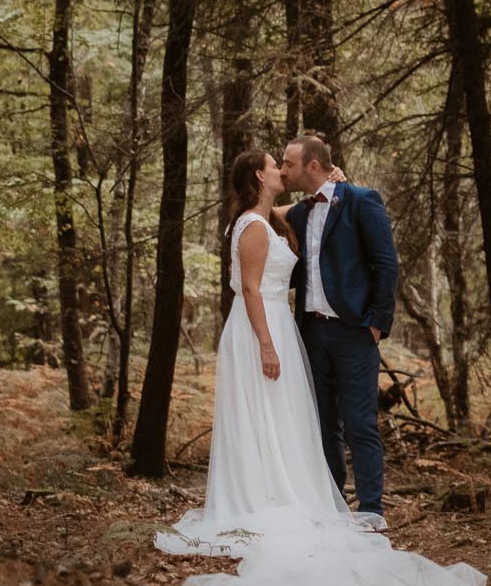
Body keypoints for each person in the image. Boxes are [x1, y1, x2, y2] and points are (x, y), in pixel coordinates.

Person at [157, 147, 349, 552]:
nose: (281, 170)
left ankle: (276, 488)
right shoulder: (254, 228)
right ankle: (259, 497)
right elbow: (249, 288)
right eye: (272, 165)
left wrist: (328, 185)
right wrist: (266, 345)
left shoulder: (264, 218)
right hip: (259, 326)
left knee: (277, 414)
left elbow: (292, 207)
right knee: (260, 412)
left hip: (274, 322)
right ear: (259, 177)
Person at [281, 133, 399, 527]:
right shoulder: (299, 212)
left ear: (313, 166)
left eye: (289, 164)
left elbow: (386, 265)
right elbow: (262, 212)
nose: (284, 170)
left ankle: (371, 511)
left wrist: (377, 325)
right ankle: (333, 506)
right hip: (312, 334)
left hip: (354, 333)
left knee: (360, 423)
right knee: (323, 424)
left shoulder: (362, 201)